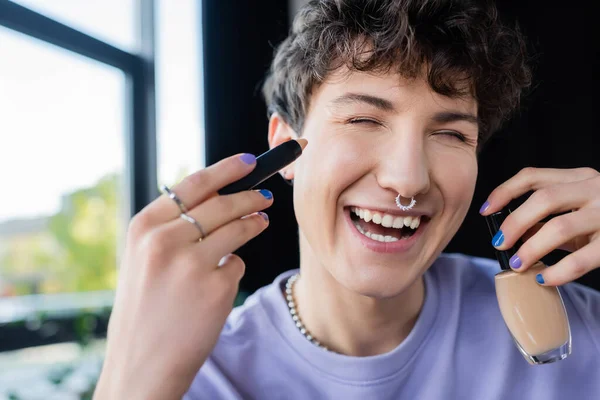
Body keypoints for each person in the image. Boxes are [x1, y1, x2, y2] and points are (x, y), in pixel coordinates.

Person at [93, 0, 600, 399]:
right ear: (283, 148)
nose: (408, 180)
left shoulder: (566, 325)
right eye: (363, 119)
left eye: (450, 134)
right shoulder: (191, 372)